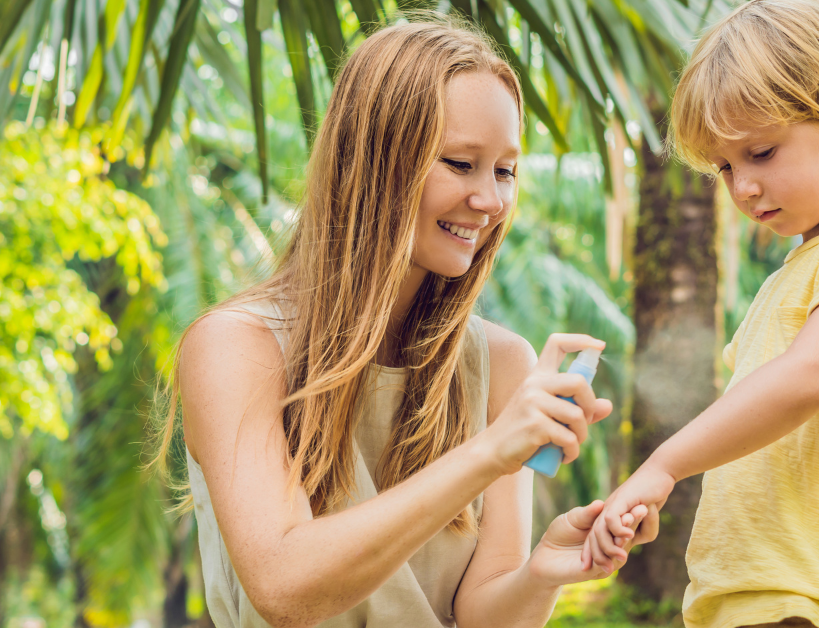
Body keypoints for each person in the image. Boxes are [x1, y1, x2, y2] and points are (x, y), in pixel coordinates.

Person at [154, 18, 652, 628]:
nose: (491, 201)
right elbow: (283, 588)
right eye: (462, 163)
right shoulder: (239, 347)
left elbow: (482, 615)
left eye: (505, 170)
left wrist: (543, 568)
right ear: (375, 160)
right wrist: (490, 453)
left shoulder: (500, 365)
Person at [581, 1, 819, 627]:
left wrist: (664, 465)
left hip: (815, 602)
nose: (742, 186)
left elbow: (809, 378)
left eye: (762, 153)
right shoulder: (793, 275)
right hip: (751, 602)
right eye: (725, 167)